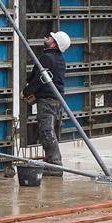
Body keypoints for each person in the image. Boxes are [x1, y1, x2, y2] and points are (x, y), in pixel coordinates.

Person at [20, 30, 72, 185]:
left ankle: (55, 165)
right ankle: (51, 161)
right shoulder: (59, 58)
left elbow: (40, 79)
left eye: (51, 38)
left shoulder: (47, 58)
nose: (48, 38)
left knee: (46, 130)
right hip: (55, 99)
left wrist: (26, 92)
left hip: (48, 100)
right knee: (49, 130)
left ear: (54, 43)